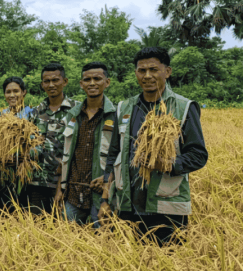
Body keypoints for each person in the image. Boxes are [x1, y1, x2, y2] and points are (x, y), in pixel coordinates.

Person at [102, 47, 208, 245]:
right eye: (142, 71)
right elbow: (113, 154)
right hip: (126, 206)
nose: (147, 76)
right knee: (127, 268)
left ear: (167, 72)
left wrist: (166, 164)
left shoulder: (183, 107)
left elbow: (198, 155)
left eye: (153, 69)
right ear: (136, 73)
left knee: (169, 268)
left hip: (166, 208)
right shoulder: (124, 107)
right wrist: (105, 199)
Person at [54, 62, 117, 226]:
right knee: (66, 241)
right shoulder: (72, 116)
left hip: (101, 194)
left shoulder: (116, 115)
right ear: (81, 84)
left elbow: (120, 155)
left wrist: (107, 181)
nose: (92, 83)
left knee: (104, 242)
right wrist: (60, 189)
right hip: (73, 193)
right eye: (87, 79)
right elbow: (64, 154)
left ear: (107, 82)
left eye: (97, 79)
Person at [28, 63, 80, 214]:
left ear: (65, 81)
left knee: (63, 228)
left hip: (65, 183)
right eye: (46, 81)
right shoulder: (35, 112)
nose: (51, 85)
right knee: (35, 227)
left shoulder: (77, 110)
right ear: (42, 84)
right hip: (36, 182)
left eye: (55, 80)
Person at [0, 77, 36, 212]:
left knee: (24, 212)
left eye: (16, 91)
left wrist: (24, 154)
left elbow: (39, 141)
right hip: (1, 173)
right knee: (2, 212)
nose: (12, 95)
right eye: (8, 92)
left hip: (26, 174)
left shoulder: (33, 115)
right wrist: (2, 156)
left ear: (24, 92)